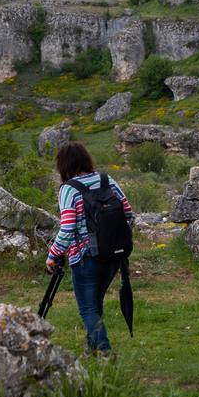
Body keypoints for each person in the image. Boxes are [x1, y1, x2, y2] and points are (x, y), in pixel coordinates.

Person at [45, 141, 134, 355]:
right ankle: (91, 349)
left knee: (87, 308)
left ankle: (104, 351)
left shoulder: (68, 189)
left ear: (63, 165)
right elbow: (128, 213)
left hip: (85, 257)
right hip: (113, 256)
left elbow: (67, 228)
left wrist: (53, 255)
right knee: (95, 303)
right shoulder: (106, 179)